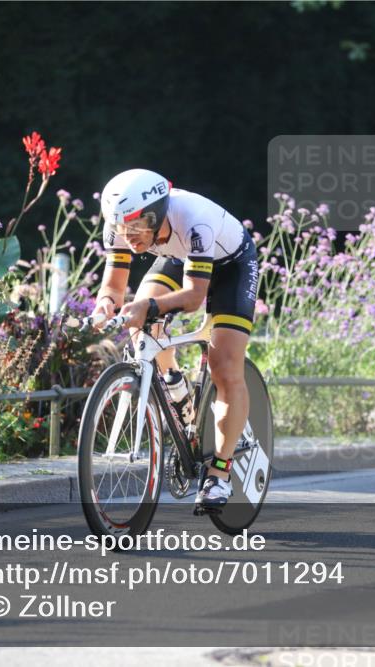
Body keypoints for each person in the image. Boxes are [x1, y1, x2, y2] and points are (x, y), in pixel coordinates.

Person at [88, 169, 260, 508]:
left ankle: (220, 473)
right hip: (179, 257)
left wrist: (146, 305)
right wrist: (106, 305)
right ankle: (175, 387)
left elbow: (194, 296)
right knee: (141, 327)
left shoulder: (194, 218)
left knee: (224, 365)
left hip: (231, 266)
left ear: (158, 212)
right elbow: (113, 285)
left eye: (137, 226)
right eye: (122, 228)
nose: (129, 235)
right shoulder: (122, 224)